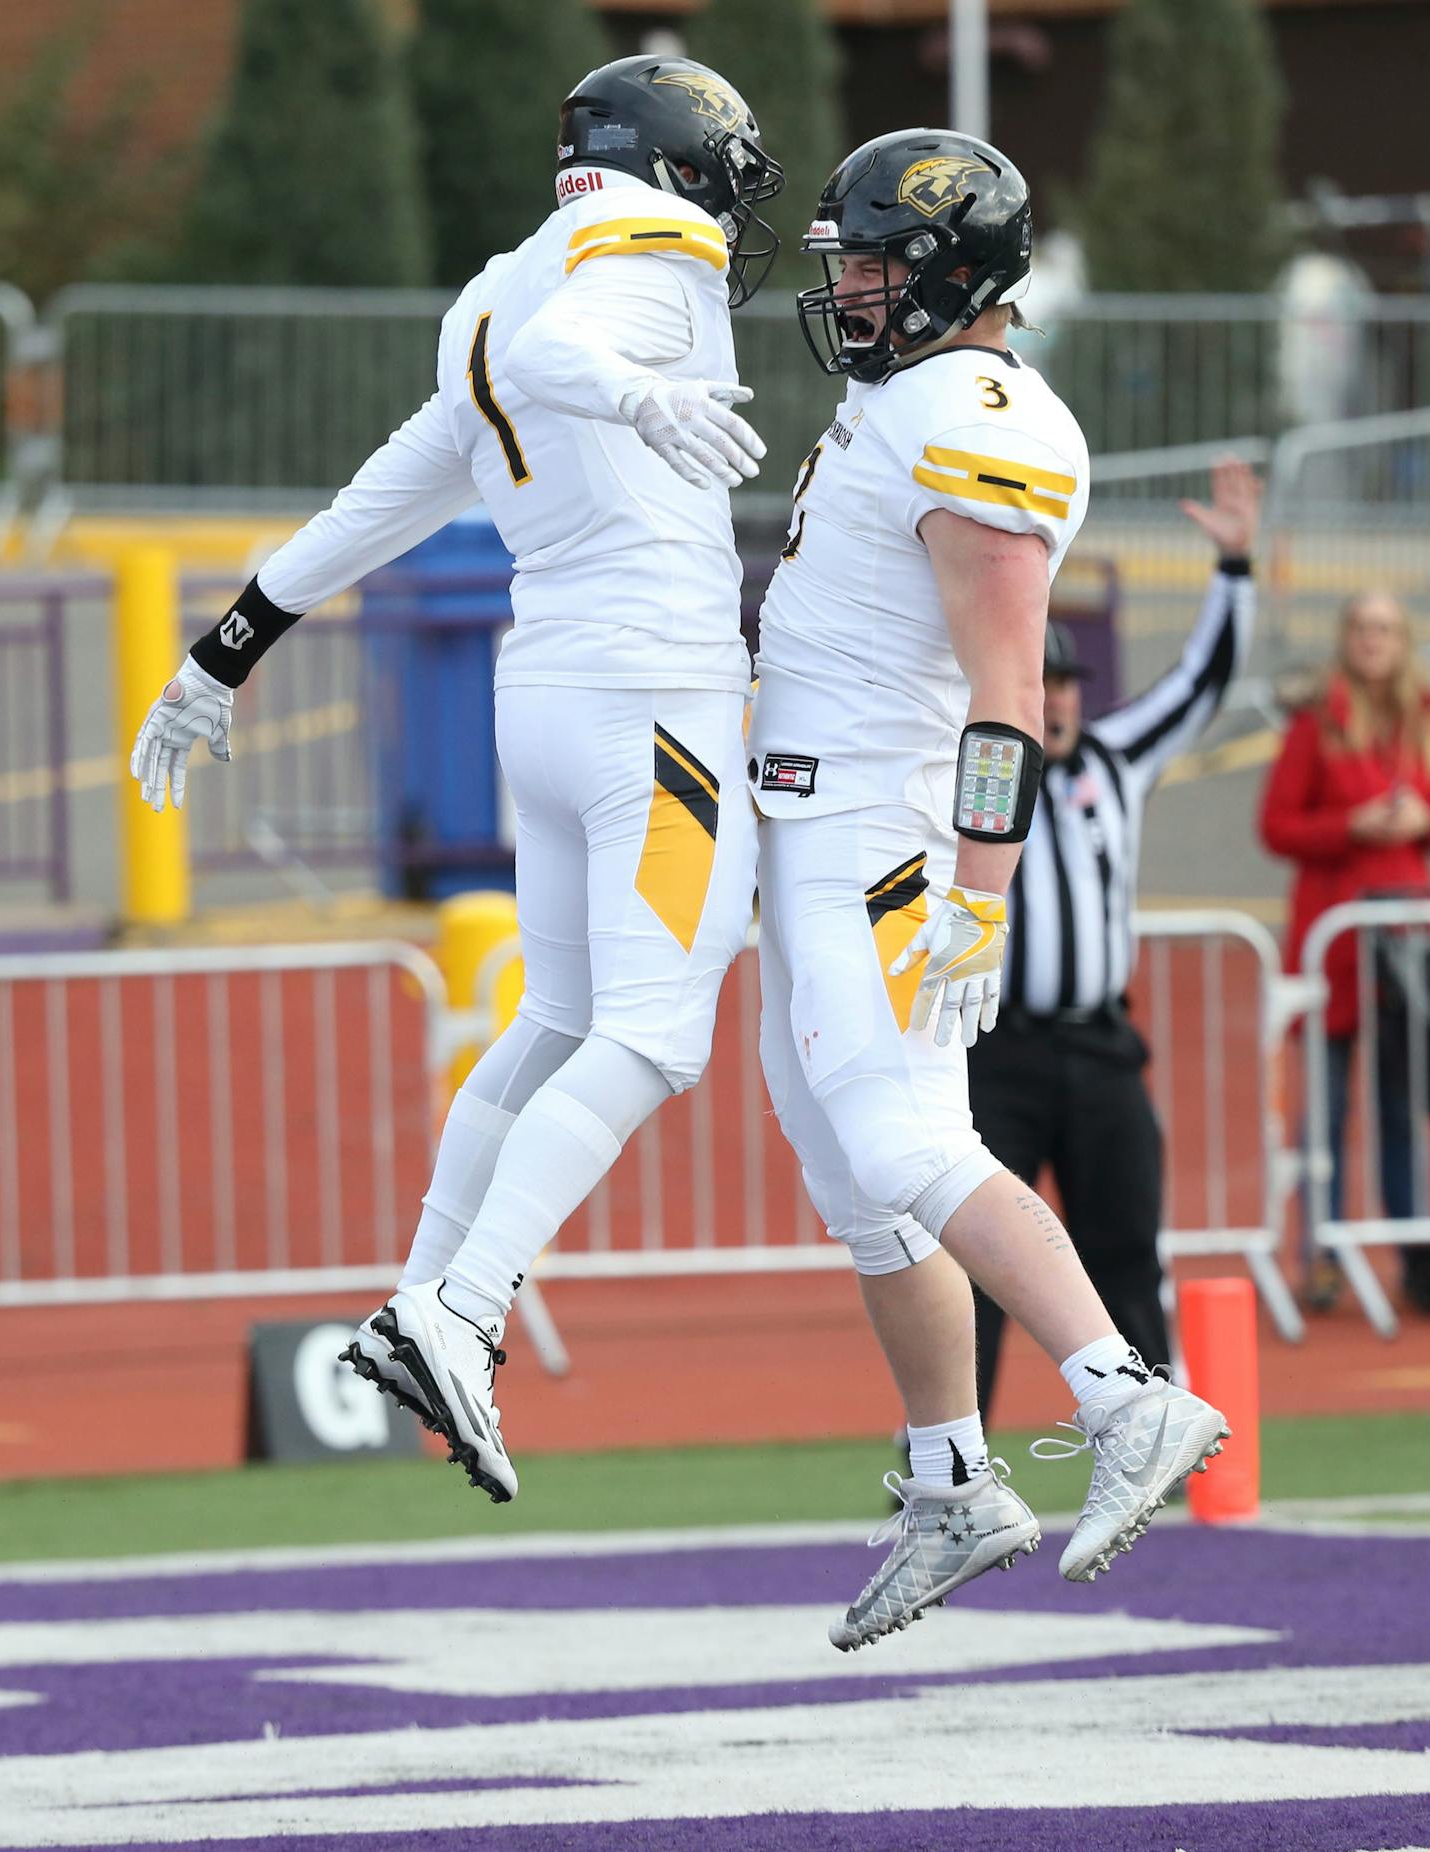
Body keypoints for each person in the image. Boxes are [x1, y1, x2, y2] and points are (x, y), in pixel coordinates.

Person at [130, 54, 782, 1503]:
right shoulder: (656, 253)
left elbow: (391, 492)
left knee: (556, 1017)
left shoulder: (492, 284)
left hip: (541, 698)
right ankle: (465, 1305)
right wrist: (639, 398)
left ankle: (414, 1296)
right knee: (660, 1032)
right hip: (652, 697)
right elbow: (567, 365)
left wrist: (222, 652)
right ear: (678, 161)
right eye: (729, 168)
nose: (736, 203)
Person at [748, 128, 1230, 1650]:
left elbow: (1009, 695)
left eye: (883, 262)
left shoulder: (976, 407)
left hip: (880, 836)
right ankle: (954, 1478)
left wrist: (979, 889)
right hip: (813, 827)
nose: (858, 289)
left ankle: (1121, 1396)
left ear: (961, 268)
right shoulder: (911, 393)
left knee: (904, 1137)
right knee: (850, 1167)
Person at [969, 459, 1260, 1416]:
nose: (1052, 699)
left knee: (1125, 1236)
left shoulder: (1116, 760)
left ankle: (1153, 1421)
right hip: (995, 1047)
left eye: (1062, 683)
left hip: (1099, 1044)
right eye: (1036, 680)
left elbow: (1200, 684)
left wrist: (1234, 570)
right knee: (979, 1253)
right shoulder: (964, 770)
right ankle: (949, 1447)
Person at [1260, 588, 1430, 1310]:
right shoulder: (1318, 724)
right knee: (1328, 1107)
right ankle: (1322, 1254)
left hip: (1408, 947)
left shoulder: (1429, 722)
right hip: (1334, 940)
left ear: (1403, 640)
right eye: (1362, 628)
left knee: (1402, 1105)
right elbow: (1277, 825)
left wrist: (1422, 821)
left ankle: (1415, 1255)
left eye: (1385, 629)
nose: (1373, 641)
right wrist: (1354, 825)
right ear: (1347, 637)